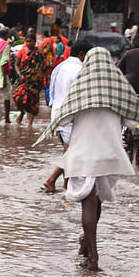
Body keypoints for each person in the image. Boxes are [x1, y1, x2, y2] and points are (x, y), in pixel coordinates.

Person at [36, 47, 139, 271]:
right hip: (109, 156)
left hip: (84, 155)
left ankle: (92, 257)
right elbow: (133, 122)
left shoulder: (81, 90)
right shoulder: (118, 92)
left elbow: (65, 119)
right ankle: (85, 245)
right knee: (97, 201)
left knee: (88, 203)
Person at [42, 39, 92, 193]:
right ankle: (54, 181)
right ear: (82, 54)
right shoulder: (80, 69)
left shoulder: (59, 67)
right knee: (72, 152)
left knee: (68, 150)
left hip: (58, 113)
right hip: (71, 115)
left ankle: (64, 186)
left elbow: (51, 94)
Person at [12, 36, 56, 126]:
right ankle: (22, 112)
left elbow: (45, 65)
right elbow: (16, 64)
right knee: (18, 96)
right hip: (24, 79)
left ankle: (30, 124)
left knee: (33, 100)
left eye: (30, 41)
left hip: (36, 81)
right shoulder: (22, 51)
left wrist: (46, 78)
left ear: (35, 42)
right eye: (27, 41)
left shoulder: (39, 53)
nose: (28, 43)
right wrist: (19, 74)